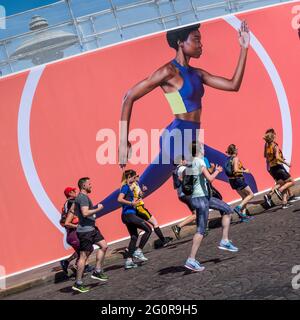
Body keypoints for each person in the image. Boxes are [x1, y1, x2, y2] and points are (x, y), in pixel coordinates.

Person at [97, 21, 257, 218]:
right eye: (196, 39)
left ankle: (228, 207)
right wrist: (123, 141)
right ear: (181, 42)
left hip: (188, 140)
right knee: (142, 188)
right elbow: (128, 97)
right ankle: (90, 215)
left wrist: (244, 48)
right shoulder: (168, 72)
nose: (201, 44)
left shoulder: (197, 74)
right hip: (176, 140)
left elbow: (233, 85)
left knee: (248, 178)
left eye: (201, 40)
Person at [185, 142, 238, 272]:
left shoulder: (193, 162)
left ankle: (224, 240)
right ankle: (191, 259)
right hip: (202, 198)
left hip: (202, 197)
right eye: (202, 147)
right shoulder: (200, 161)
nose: (204, 149)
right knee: (201, 230)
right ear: (198, 150)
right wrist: (217, 171)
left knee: (227, 209)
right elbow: (209, 179)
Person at [172, 154, 225, 240]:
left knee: (198, 211)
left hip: (182, 195)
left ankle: (201, 230)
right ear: (181, 161)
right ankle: (178, 227)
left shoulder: (177, 170)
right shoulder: (182, 169)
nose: (185, 161)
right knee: (196, 213)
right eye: (184, 160)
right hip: (187, 194)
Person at [72, 177, 108, 293]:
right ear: (83, 186)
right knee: (83, 256)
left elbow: (79, 212)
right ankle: (78, 283)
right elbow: (85, 213)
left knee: (104, 246)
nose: (91, 186)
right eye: (89, 184)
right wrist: (98, 209)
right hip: (85, 231)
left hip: (91, 229)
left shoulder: (82, 197)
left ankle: (97, 271)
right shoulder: (82, 198)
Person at [118, 170, 152, 269]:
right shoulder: (125, 187)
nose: (135, 179)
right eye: (134, 177)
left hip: (128, 215)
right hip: (128, 215)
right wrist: (131, 204)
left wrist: (142, 194)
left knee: (134, 236)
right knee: (148, 229)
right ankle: (139, 251)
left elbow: (134, 201)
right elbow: (119, 199)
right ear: (129, 177)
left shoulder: (128, 188)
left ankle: (129, 261)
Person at [133, 174, 173, 247]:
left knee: (139, 230)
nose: (139, 177)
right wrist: (141, 193)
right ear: (133, 177)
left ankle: (131, 248)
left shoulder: (136, 184)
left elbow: (139, 196)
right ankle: (163, 241)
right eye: (137, 175)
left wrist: (143, 191)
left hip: (139, 208)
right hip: (140, 208)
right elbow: (135, 198)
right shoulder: (133, 186)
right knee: (154, 223)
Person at [263, 129, 296, 209]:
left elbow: (265, 156)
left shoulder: (266, 146)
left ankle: (284, 203)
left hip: (272, 168)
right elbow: (277, 157)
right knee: (292, 182)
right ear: (273, 137)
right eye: (274, 135)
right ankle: (279, 191)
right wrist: (286, 163)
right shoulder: (275, 146)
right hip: (278, 167)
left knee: (283, 183)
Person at [225, 144, 254, 222]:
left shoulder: (228, 158)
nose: (238, 150)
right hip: (238, 179)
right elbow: (236, 170)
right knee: (251, 194)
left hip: (232, 181)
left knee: (244, 197)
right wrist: (245, 171)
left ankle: (243, 216)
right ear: (234, 150)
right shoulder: (235, 158)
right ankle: (238, 207)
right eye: (237, 149)